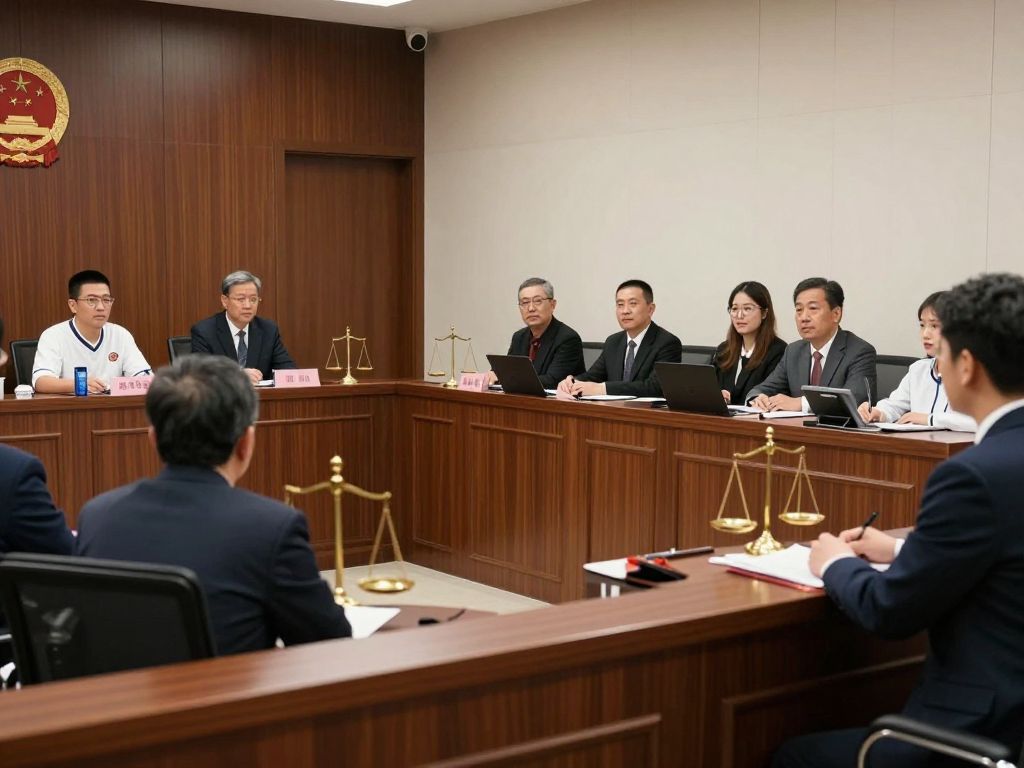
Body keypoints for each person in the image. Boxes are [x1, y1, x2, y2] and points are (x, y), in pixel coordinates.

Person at [773, 272, 1024, 767]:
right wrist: (901, 550)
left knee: (793, 756)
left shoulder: (970, 475)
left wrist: (837, 562)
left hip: (972, 731)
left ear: (967, 365)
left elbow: (890, 610)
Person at [75, 355, 351, 655]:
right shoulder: (272, 528)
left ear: (153, 439)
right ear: (246, 442)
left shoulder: (97, 515)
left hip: (118, 700)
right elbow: (330, 644)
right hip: (227, 701)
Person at [747, 277, 876, 411]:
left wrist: (802, 404)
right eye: (799, 310)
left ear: (836, 314)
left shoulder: (859, 352)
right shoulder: (793, 351)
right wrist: (758, 398)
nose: (804, 318)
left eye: (813, 308)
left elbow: (854, 399)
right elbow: (762, 389)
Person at [857, 291, 975, 432]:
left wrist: (929, 419)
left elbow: (979, 420)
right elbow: (895, 405)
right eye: (922, 325)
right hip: (919, 448)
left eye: (934, 326)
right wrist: (878, 412)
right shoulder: (919, 369)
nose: (925, 334)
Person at [556, 279, 682, 399]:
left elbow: (655, 387)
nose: (625, 311)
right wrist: (572, 382)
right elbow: (593, 376)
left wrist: (602, 389)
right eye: (620, 305)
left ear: (650, 309)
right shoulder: (613, 342)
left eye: (633, 304)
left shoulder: (667, 343)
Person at [32, 270, 152, 394]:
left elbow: (145, 378)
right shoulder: (53, 336)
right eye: (91, 300)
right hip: (71, 410)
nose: (101, 307)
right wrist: (80, 384)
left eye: (106, 300)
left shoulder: (121, 335)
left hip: (114, 409)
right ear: (73, 305)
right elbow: (41, 382)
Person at [190, 270, 296, 384]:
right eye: (241, 299)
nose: (248, 305)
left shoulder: (268, 330)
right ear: (225, 301)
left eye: (253, 299)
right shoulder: (205, 331)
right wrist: (237, 375)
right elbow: (200, 374)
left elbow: (288, 371)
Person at [489, 277, 585, 389]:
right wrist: (494, 374)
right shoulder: (519, 337)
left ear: (552, 305)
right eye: (524, 302)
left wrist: (503, 378)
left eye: (537, 301)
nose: (530, 308)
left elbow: (552, 381)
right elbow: (509, 370)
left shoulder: (568, 338)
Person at [714, 281, 786, 406]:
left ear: (764, 313)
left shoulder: (778, 351)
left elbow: (769, 396)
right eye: (734, 308)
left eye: (747, 308)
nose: (739, 315)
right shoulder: (724, 349)